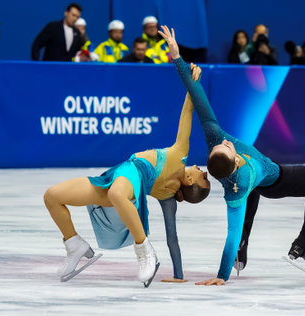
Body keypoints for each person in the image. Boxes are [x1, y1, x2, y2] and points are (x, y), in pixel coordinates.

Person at [159, 25, 305, 285]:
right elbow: (230, 232)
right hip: (274, 179)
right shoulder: (241, 182)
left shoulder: (215, 138)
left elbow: (197, 95)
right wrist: (221, 276)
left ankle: (244, 246)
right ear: (236, 159)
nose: (227, 142)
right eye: (228, 148)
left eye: (220, 145)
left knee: (250, 195)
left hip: (249, 185)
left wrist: (176, 57)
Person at [43, 64, 211, 285]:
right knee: (52, 196)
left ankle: (143, 250)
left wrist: (179, 276)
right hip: (118, 178)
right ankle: (74, 244)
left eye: (202, 175)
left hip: (126, 185)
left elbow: (173, 237)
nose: (201, 169)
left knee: (117, 194)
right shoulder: (177, 160)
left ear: (189, 181)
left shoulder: (178, 163)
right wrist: (193, 81)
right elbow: (189, 108)